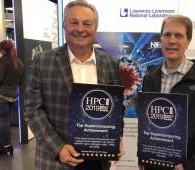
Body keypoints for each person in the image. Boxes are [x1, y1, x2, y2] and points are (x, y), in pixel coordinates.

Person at [24, 1, 124, 170]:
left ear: (95, 28)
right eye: (73, 22)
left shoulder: (110, 64)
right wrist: (58, 148)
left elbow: (116, 107)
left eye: (87, 23)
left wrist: (116, 137)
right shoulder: (42, 61)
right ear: (64, 26)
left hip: (97, 162)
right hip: (56, 161)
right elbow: (32, 110)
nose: (80, 29)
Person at [139, 15, 195, 170]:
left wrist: (193, 165)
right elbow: (147, 123)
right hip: (153, 163)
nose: (172, 40)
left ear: (188, 41)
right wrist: (143, 155)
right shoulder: (150, 77)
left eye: (179, 35)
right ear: (161, 39)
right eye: (167, 34)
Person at [0, 40, 23, 156]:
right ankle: (4, 145)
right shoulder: (19, 62)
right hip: (14, 96)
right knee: (5, 122)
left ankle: (3, 145)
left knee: (3, 122)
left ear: (2, 49)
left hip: (1, 96)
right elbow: (21, 81)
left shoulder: (2, 61)